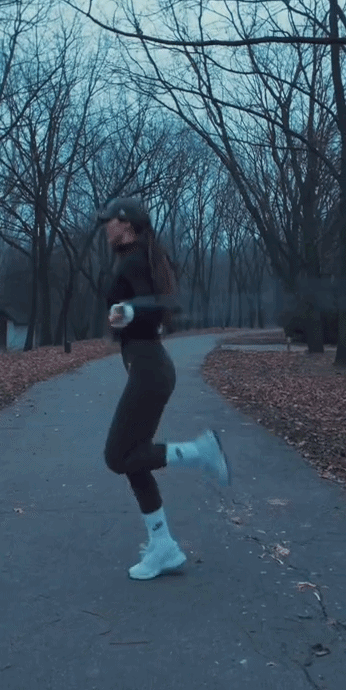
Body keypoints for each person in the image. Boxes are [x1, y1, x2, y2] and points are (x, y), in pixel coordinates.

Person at [98, 196, 231, 581]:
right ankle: (163, 546)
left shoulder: (135, 259)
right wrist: (125, 315)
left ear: (127, 224)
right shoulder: (134, 257)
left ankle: (201, 452)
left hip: (150, 371)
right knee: (133, 459)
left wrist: (129, 311)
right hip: (147, 367)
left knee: (117, 456)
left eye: (111, 220)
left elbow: (161, 304)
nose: (106, 226)